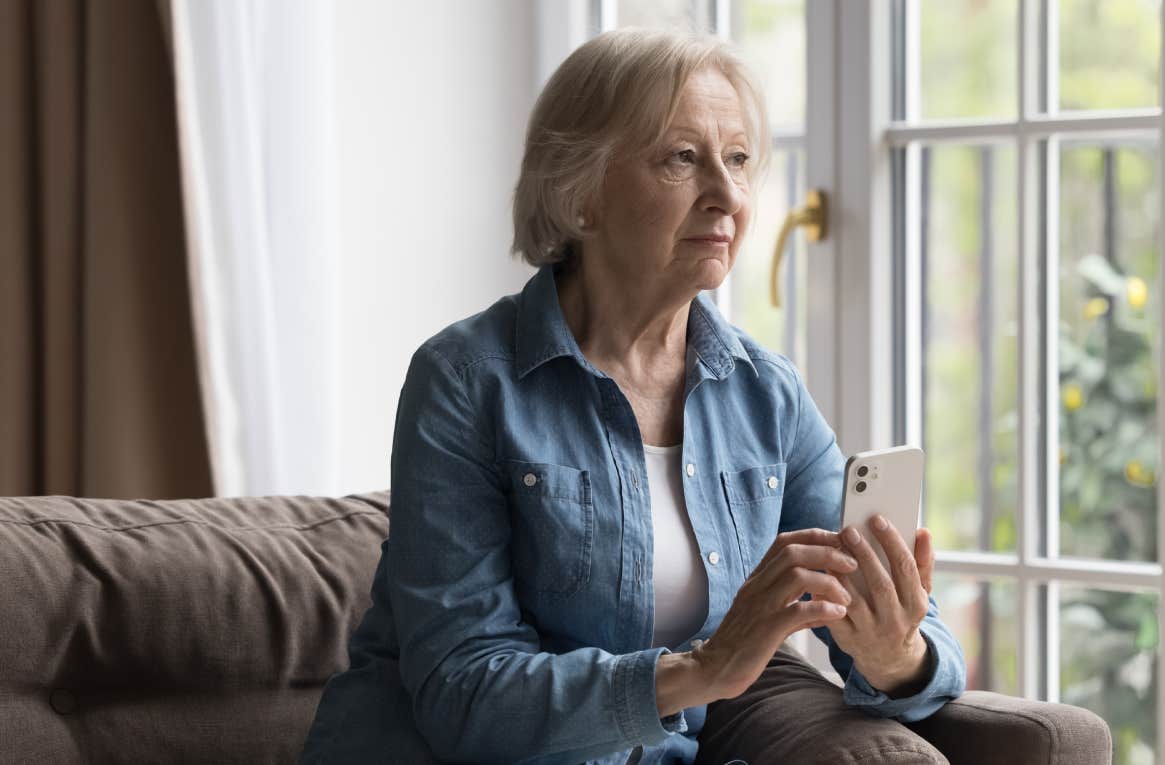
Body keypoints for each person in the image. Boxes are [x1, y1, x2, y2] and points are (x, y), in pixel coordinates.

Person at [302, 27, 965, 765]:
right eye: (682, 158)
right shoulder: (464, 381)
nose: (728, 194)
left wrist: (895, 649)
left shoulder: (764, 395)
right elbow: (465, 694)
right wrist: (704, 669)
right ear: (579, 193)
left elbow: (928, 656)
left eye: (739, 159)